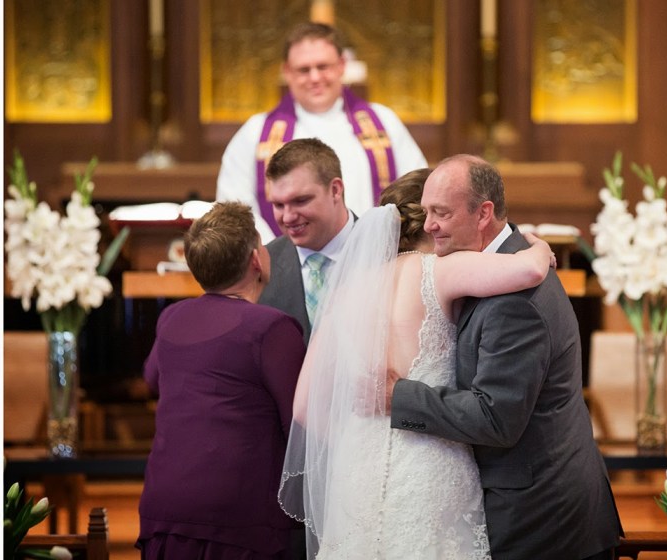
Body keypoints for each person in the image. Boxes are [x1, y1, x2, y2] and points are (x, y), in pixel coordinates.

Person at [278, 168, 556, 559]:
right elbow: (529, 270)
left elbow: (304, 408)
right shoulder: (435, 271)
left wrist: (358, 442)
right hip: (431, 462)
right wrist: (539, 247)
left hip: (357, 470)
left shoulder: (344, 291)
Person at [389, 155, 623, 559]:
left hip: (543, 517)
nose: (428, 226)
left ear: (483, 214)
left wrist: (400, 396)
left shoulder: (514, 299)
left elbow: (496, 417)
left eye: (441, 213)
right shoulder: (505, 262)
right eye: (426, 212)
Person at [137, 202, 306, 560]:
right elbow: (300, 424)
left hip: (165, 506)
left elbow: (152, 379)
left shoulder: (171, 317)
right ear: (256, 259)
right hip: (238, 515)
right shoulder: (272, 328)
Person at [216, 21, 427, 242]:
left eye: (323, 66)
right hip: (286, 260)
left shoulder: (384, 122)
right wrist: (276, 253)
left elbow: (417, 190)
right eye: (304, 70)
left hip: (374, 255)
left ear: (342, 65)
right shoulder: (254, 132)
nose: (315, 78)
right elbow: (235, 207)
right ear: (287, 71)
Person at [258, 137, 355, 344]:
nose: (288, 217)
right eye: (278, 205)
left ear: (335, 190)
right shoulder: (261, 267)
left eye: (300, 201)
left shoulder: (389, 251)